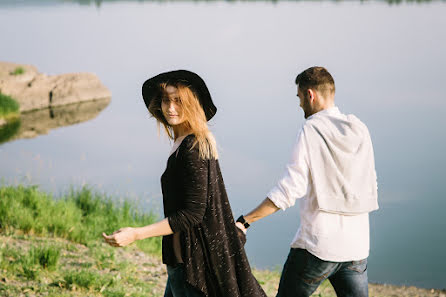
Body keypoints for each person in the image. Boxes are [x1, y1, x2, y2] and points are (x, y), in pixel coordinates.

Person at [103, 70, 266, 297]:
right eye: (166, 100)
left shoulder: (193, 148)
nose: (170, 107)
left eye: (178, 101)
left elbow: (192, 214)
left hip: (191, 264)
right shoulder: (186, 141)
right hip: (183, 259)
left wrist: (136, 234)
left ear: (191, 104)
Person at [235, 66, 378, 297]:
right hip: (357, 246)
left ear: (310, 94)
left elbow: (290, 188)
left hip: (318, 247)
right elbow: (371, 182)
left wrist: (246, 220)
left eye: (300, 97)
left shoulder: (311, 129)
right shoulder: (360, 129)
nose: (300, 104)